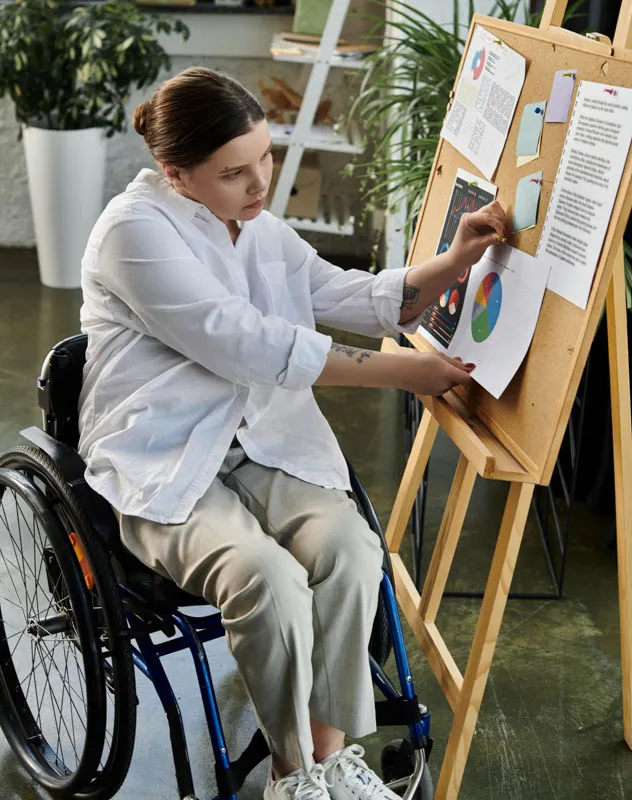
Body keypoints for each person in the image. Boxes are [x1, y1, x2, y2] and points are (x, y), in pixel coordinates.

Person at [78, 67, 510, 800]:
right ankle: (294, 773)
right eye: (233, 173)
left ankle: (330, 756)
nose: (260, 184)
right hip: (165, 455)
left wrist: (456, 260)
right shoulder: (132, 232)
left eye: (266, 158)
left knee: (351, 551)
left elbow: (348, 294)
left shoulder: (257, 229)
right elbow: (242, 343)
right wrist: (401, 372)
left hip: (262, 443)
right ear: (174, 173)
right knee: (266, 579)